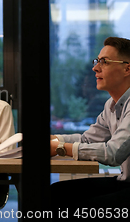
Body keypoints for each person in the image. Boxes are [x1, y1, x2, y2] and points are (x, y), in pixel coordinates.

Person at [50, 37, 130, 220]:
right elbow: (87, 140)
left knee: (70, 210)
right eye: (97, 61)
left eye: (104, 62)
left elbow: (113, 153)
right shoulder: (111, 105)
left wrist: (61, 148)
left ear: (127, 68)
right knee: (54, 194)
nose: (95, 68)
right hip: (125, 183)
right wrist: (54, 139)